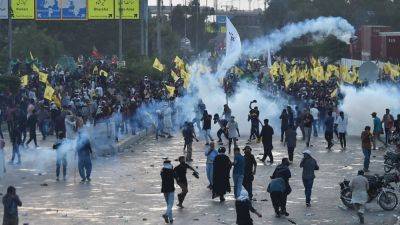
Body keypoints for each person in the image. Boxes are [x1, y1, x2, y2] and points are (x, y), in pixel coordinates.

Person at [161, 159, 175, 223]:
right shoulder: (171, 170)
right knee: (170, 204)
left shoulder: (162, 170)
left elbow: (162, 177)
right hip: (171, 188)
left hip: (164, 189)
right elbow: (176, 177)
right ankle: (166, 215)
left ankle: (171, 219)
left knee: (168, 204)